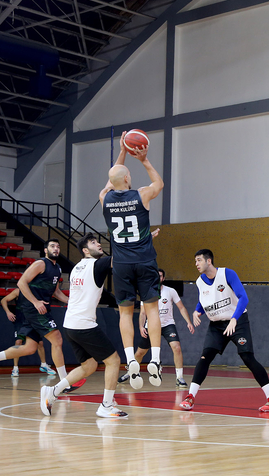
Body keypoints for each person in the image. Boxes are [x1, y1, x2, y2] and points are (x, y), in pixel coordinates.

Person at [99, 131, 165, 390]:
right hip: (146, 260)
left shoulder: (104, 199)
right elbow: (158, 184)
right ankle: (156, 361)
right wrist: (144, 159)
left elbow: (109, 180)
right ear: (128, 178)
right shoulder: (141, 195)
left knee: (125, 313)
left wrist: (123, 150)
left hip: (122, 264)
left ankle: (130, 359)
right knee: (151, 310)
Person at [179, 249, 269, 413]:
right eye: (195, 261)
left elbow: (244, 298)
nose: (196, 264)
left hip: (237, 321)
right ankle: (190, 397)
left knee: (247, 358)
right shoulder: (199, 282)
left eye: (199, 260)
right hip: (216, 325)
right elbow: (204, 300)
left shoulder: (227, 274)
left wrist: (234, 319)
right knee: (205, 358)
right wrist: (197, 311)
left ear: (209, 261)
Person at [40, 233, 128, 418]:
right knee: (113, 361)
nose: (99, 244)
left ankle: (53, 391)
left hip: (70, 324)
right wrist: (142, 241)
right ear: (86, 250)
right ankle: (106, 405)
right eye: (94, 243)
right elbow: (123, 257)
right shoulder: (97, 264)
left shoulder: (76, 268)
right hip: (83, 324)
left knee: (88, 366)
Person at [0, 239, 70, 383]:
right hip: (34, 309)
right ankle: (65, 382)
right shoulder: (40, 264)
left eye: (58, 246)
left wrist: (70, 302)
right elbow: (21, 283)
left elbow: (56, 292)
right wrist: (35, 301)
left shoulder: (57, 268)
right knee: (57, 339)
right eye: (52, 246)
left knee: (29, 348)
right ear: (45, 250)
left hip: (38, 309)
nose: (56, 249)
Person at [119, 268, 194, 387]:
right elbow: (143, 313)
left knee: (177, 347)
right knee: (139, 353)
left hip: (167, 324)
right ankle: (131, 373)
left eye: (160, 276)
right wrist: (141, 326)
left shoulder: (170, 291)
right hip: (151, 326)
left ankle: (179, 377)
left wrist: (189, 322)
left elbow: (181, 308)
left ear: (163, 278)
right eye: (156, 276)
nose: (158, 278)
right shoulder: (146, 293)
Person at [0, 289, 57, 377]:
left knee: (40, 343)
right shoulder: (18, 291)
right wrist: (8, 312)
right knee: (18, 342)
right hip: (21, 320)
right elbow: (4, 300)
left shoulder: (36, 291)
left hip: (32, 320)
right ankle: (15, 368)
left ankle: (43, 365)